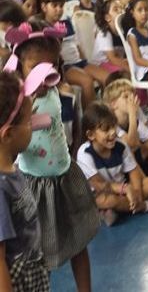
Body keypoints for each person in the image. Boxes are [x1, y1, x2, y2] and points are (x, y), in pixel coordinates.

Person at [4, 20, 99, 292]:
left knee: (78, 243)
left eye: (52, 68)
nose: (45, 76)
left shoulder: (56, 90)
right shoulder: (18, 103)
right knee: (38, 250)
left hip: (64, 178)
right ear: (20, 66)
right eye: (35, 68)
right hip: (34, 186)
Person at [0, 70, 52, 292]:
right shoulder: (1, 188)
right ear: (9, 135)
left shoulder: (12, 168)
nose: (35, 125)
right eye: (29, 123)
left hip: (32, 272)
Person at [77, 102, 148, 224]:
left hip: (124, 191)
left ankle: (116, 211)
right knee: (107, 200)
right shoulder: (85, 153)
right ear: (90, 135)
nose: (112, 133)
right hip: (101, 194)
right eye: (106, 129)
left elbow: (134, 173)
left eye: (113, 127)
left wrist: (136, 193)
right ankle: (143, 206)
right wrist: (126, 189)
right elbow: (99, 185)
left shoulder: (121, 146)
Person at [91, 0, 127, 74]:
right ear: (107, 17)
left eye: (122, 8)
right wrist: (128, 66)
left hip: (114, 62)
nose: (121, 11)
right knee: (124, 71)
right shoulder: (105, 34)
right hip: (100, 64)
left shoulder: (123, 31)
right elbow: (112, 59)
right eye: (116, 9)